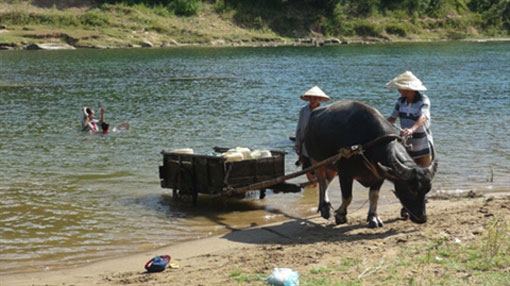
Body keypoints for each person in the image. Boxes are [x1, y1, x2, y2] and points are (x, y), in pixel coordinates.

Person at [386, 71, 434, 168]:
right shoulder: (400, 101)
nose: (398, 90)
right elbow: (392, 118)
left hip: (422, 144)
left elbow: (423, 117)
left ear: (408, 89)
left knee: (424, 173)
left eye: (400, 88)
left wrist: (412, 129)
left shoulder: (423, 101)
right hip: (406, 143)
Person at [294, 86, 331, 182]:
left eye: (315, 98)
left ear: (319, 99)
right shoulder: (304, 111)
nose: (313, 100)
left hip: (318, 146)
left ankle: (317, 186)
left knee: (319, 169)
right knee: (307, 168)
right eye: (311, 98)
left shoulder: (324, 112)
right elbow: (299, 128)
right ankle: (312, 188)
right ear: (308, 99)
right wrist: (297, 144)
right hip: (305, 145)